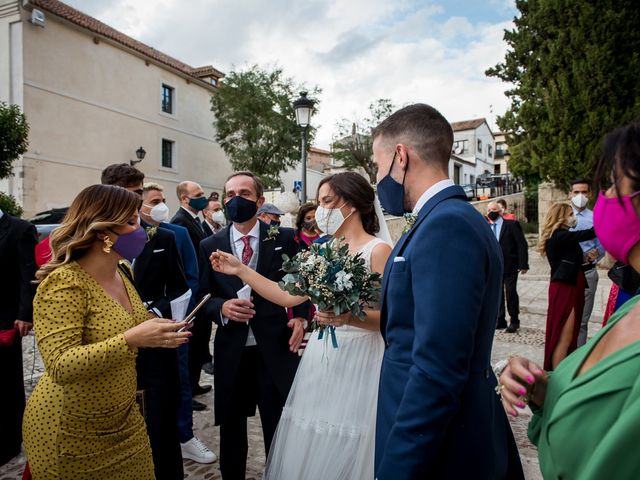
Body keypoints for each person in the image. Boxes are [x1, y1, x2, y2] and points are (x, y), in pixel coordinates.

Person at [372, 104, 523, 479]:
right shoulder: (440, 218)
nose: (378, 178)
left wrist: (397, 468)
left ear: (401, 156)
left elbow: (437, 368)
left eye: (378, 165)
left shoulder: (447, 225)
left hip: (441, 448)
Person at [211, 172, 392, 479]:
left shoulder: (378, 251)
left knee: (353, 435)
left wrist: (349, 317)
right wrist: (241, 270)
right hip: (323, 357)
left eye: (327, 202)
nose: (320, 211)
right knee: (317, 433)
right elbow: (285, 294)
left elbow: (390, 319)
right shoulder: (323, 251)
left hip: (361, 357)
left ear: (352, 204)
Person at [497, 122, 640, 480]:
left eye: (610, 184)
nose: (601, 198)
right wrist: (546, 389)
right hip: (566, 283)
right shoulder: (628, 310)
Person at [23, 184, 191, 479]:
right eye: (131, 221)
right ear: (103, 231)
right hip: (72, 427)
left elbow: (130, 323)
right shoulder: (65, 283)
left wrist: (160, 331)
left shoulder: (124, 270)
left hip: (124, 419)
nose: (141, 228)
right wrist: (131, 339)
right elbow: (60, 365)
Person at [196, 171, 307, 480]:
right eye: (229, 194)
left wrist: (302, 316)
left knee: (277, 424)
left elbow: (303, 285)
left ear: (259, 201)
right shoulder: (210, 244)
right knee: (232, 427)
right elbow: (202, 295)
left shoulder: (283, 237)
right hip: (233, 349)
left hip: (275, 347)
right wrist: (222, 307)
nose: (235, 199)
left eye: (244, 193)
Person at [140, 183, 215, 461]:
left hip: (172, 319)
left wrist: (182, 314)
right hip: (131, 329)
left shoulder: (176, 233)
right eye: (153, 200)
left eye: (161, 199)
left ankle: (185, 435)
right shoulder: (115, 236)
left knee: (180, 380)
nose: (160, 205)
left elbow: (189, 278)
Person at [538, 202, 596, 370]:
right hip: (565, 288)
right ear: (560, 217)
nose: (573, 217)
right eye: (570, 214)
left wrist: (586, 259)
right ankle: (557, 378)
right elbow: (590, 233)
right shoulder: (559, 236)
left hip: (572, 284)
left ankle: (562, 373)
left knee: (569, 335)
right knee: (564, 336)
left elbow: (569, 262)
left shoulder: (563, 237)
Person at [0, 208, 37, 467]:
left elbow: (28, 276)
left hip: (6, 317)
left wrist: (25, 314)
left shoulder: (18, 229)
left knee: (6, 381)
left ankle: (8, 442)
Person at [171, 180, 212, 397]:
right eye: (199, 194)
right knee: (192, 342)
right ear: (185, 198)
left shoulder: (197, 220)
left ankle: (194, 384)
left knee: (200, 341)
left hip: (202, 291)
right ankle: (188, 389)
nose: (203, 197)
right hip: (192, 292)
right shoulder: (180, 221)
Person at [568, 178, 605, 346]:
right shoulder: (562, 216)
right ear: (570, 194)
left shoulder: (596, 217)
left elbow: (603, 241)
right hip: (566, 273)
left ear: (589, 194)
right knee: (565, 318)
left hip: (588, 271)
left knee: (582, 322)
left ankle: (578, 360)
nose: (580, 196)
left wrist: (595, 254)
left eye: (584, 192)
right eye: (576, 192)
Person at [487, 201, 529, 333]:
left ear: (500, 211)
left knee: (510, 292)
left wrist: (523, 263)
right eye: (489, 210)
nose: (491, 212)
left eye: (494, 209)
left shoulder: (511, 225)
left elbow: (521, 244)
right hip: (495, 267)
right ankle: (500, 319)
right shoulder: (487, 227)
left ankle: (514, 320)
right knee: (497, 293)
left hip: (510, 264)